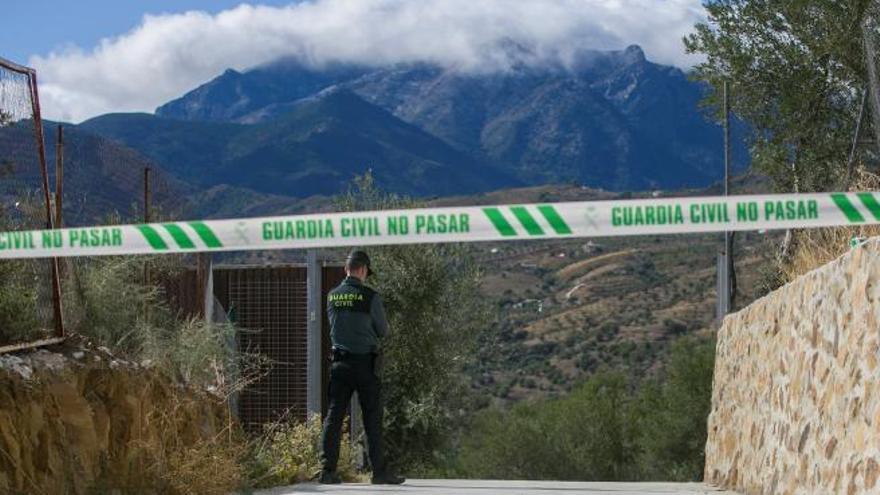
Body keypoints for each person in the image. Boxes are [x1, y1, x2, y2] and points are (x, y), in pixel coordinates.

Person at [318, 249, 405, 485]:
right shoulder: (371, 297)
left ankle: (326, 471)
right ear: (363, 270)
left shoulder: (332, 296)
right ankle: (379, 473)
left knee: (334, 417)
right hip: (365, 365)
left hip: (339, 365)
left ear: (346, 269)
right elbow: (383, 331)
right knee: (372, 419)